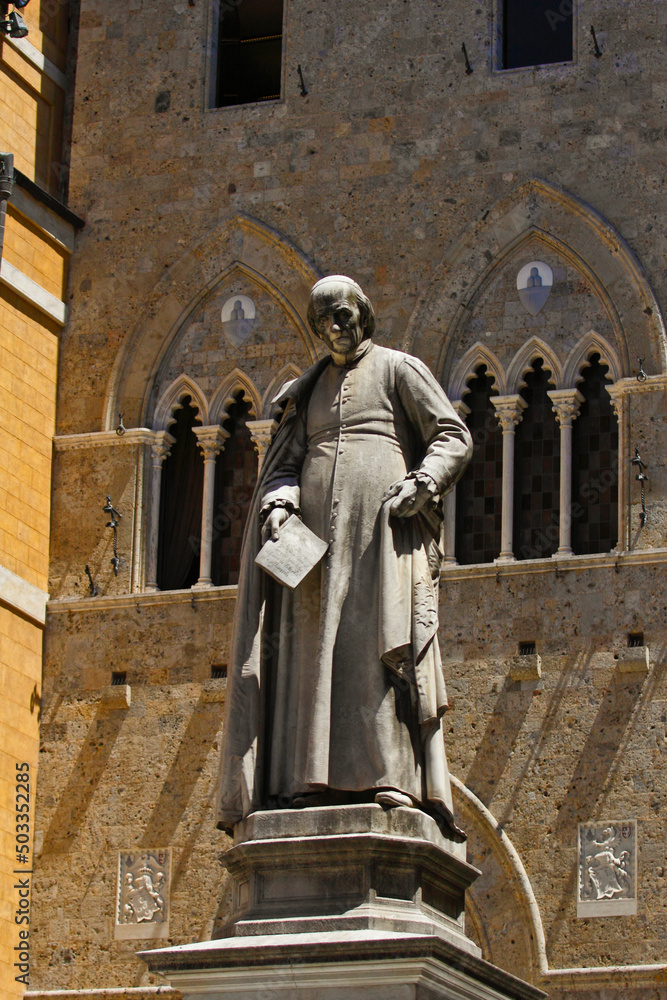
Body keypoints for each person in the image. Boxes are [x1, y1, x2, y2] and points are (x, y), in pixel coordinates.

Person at [217, 276, 472, 836]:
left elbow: (453, 434)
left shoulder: (398, 368)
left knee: (373, 648)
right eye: (326, 317)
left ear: (364, 314)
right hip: (310, 552)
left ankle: (391, 775)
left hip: (379, 536)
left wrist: (424, 481)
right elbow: (284, 465)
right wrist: (280, 504)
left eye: (345, 312)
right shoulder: (305, 391)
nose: (337, 324)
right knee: (309, 658)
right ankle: (303, 781)